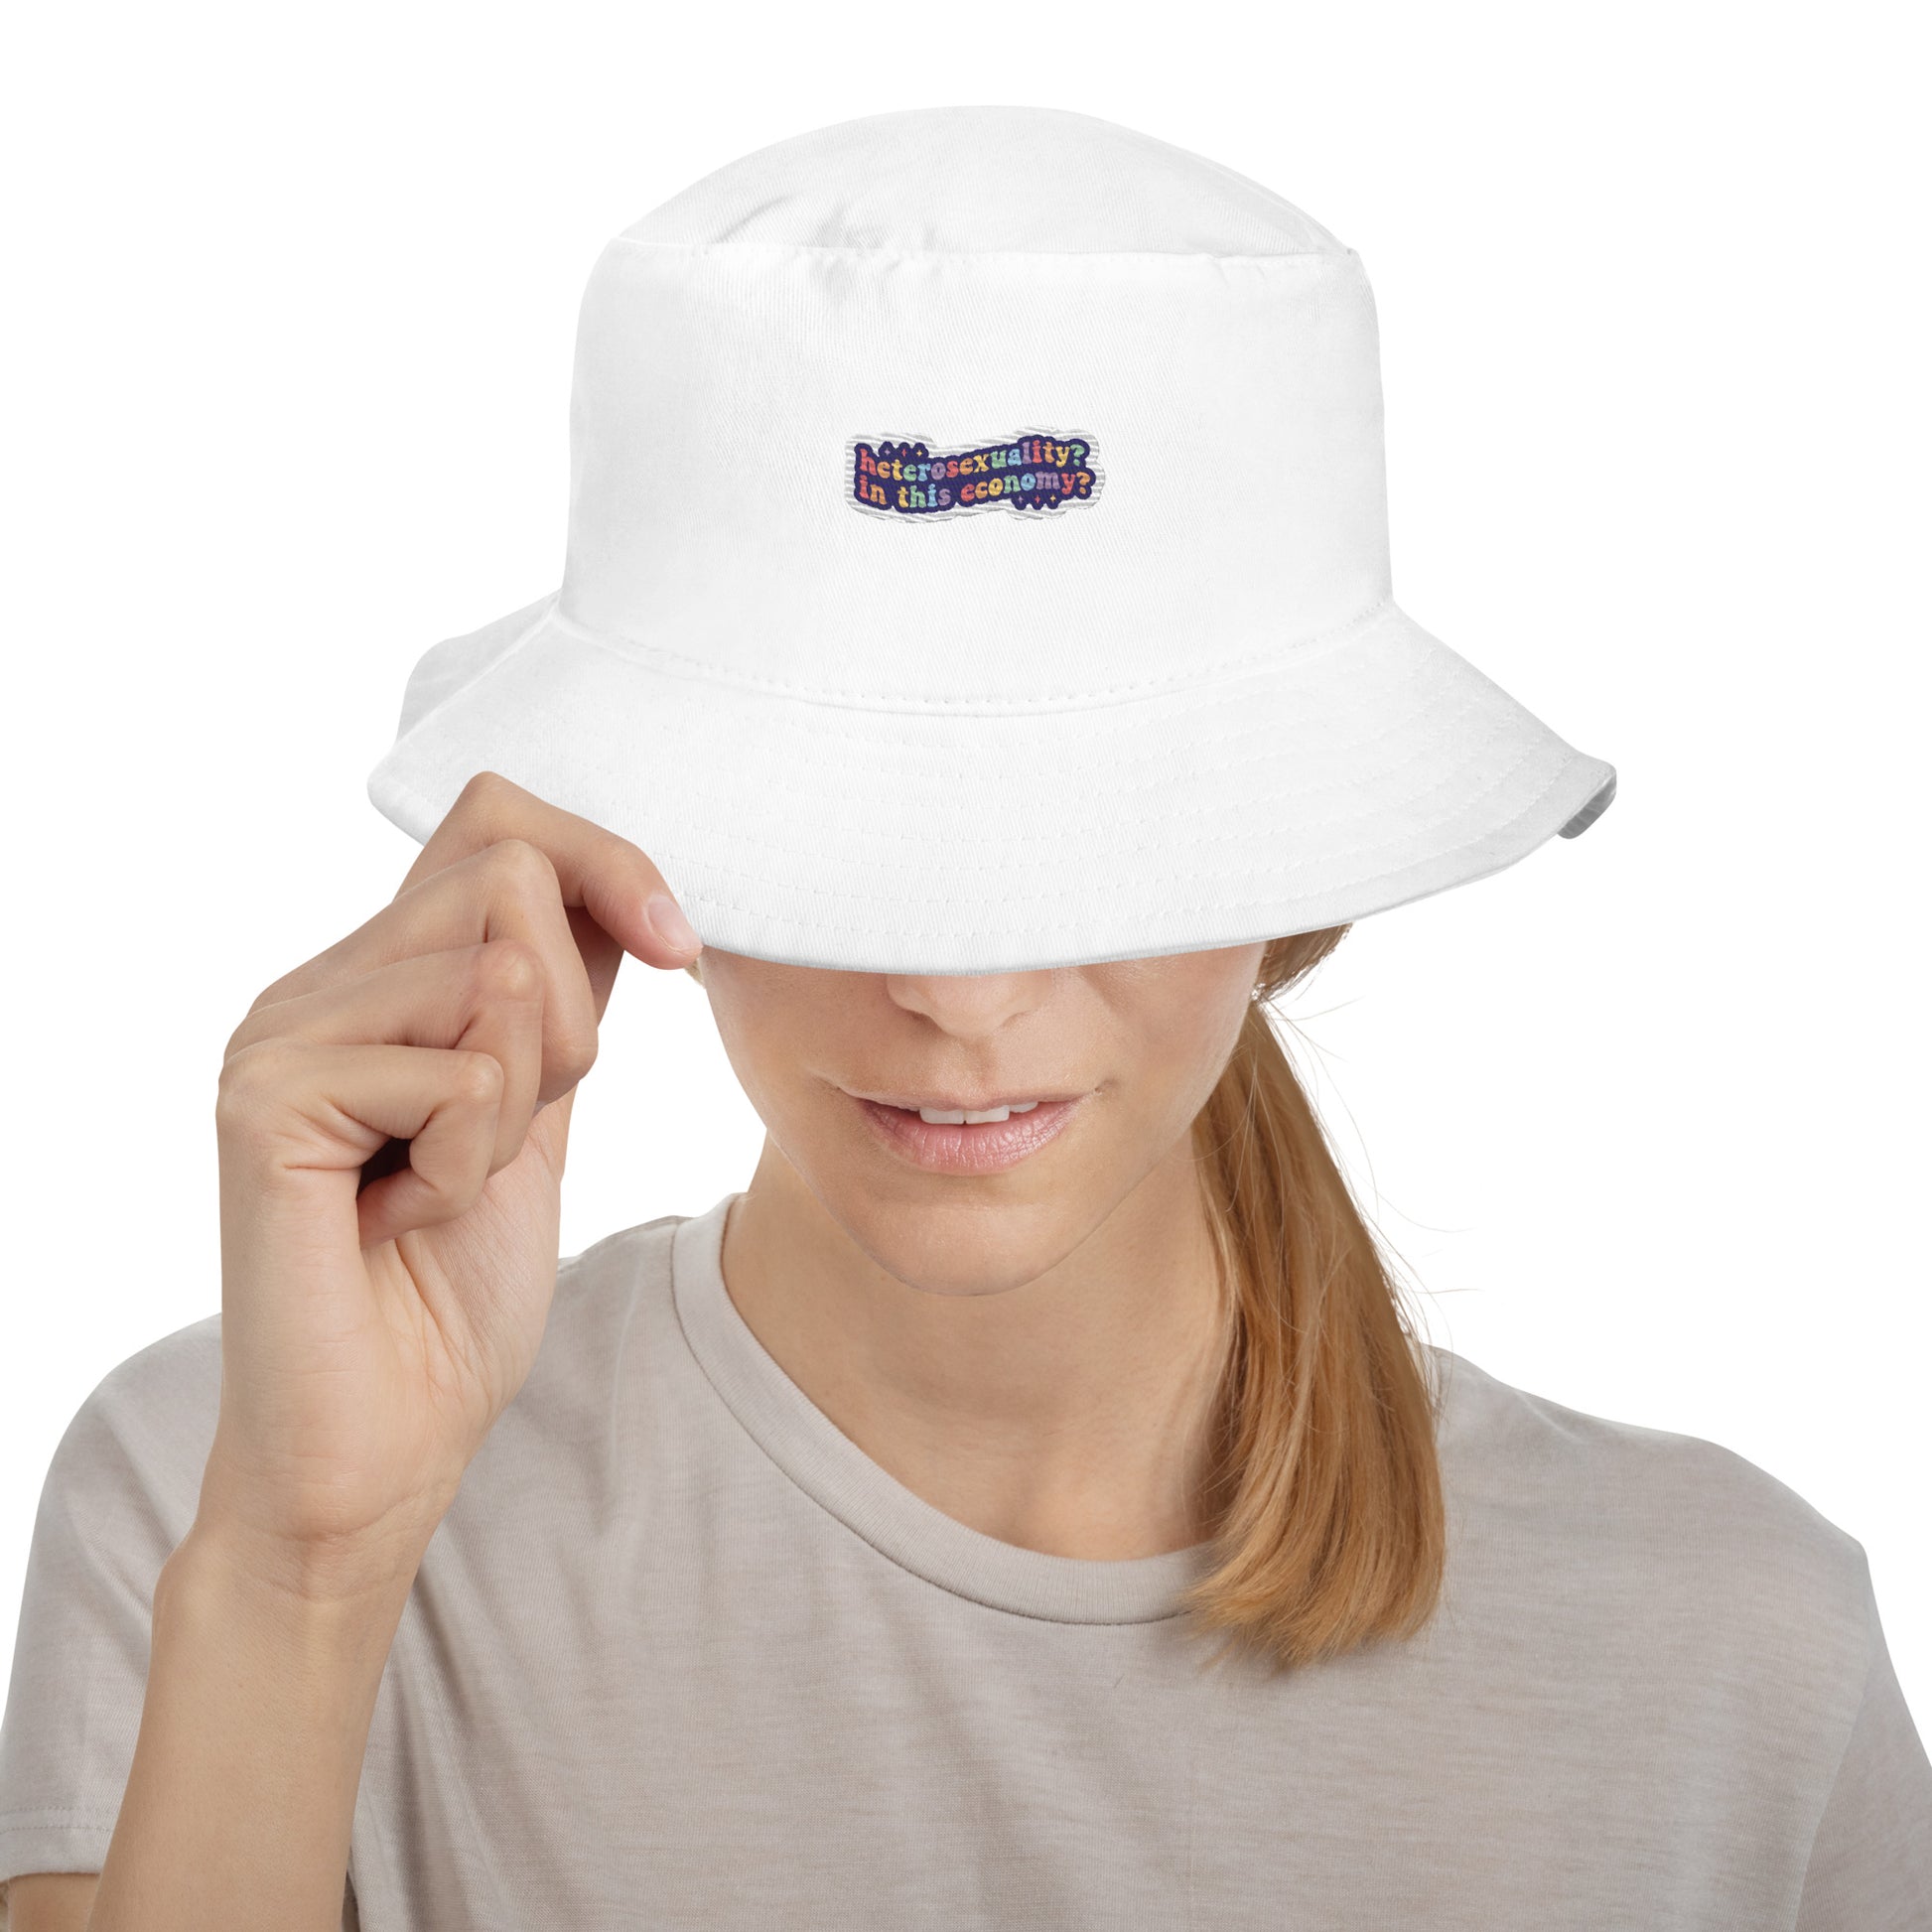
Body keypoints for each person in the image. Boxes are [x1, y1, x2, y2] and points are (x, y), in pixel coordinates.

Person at [2, 105, 1927, 1932]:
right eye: (829, 827)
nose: (959, 991)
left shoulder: (1738, 1670)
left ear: (1300, 866)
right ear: (623, 835)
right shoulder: (234, 1492)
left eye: (1106, 829)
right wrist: (303, 1575)